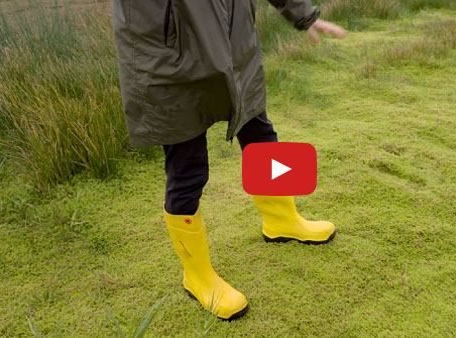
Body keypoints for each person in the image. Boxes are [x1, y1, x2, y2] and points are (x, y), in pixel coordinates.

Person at [111, 0, 346, 320]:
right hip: (172, 54)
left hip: (235, 44)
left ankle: (281, 220)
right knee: (188, 168)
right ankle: (197, 276)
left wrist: (303, 15)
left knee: (261, 136)